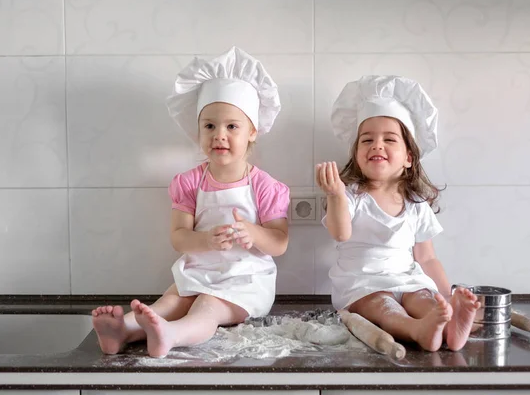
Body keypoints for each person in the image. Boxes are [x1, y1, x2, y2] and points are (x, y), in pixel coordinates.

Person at [92, 47, 290, 358]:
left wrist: (254, 233)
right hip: (199, 271)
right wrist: (206, 239)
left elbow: (279, 242)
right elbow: (179, 237)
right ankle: (123, 330)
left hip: (245, 280)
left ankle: (172, 334)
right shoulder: (189, 182)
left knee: (207, 306)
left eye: (231, 126)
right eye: (209, 126)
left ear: (252, 131)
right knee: (169, 302)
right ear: (198, 130)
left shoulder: (265, 186)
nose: (219, 135)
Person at [316, 75, 480, 352]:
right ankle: (417, 329)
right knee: (383, 306)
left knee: (424, 299)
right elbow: (340, 233)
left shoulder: (416, 203)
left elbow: (426, 257)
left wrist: (446, 295)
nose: (376, 145)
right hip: (362, 283)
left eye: (389, 139)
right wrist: (334, 195)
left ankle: (450, 326)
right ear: (356, 153)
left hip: (407, 278)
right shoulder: (351, 195)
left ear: (408, 158)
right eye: (367, 140)